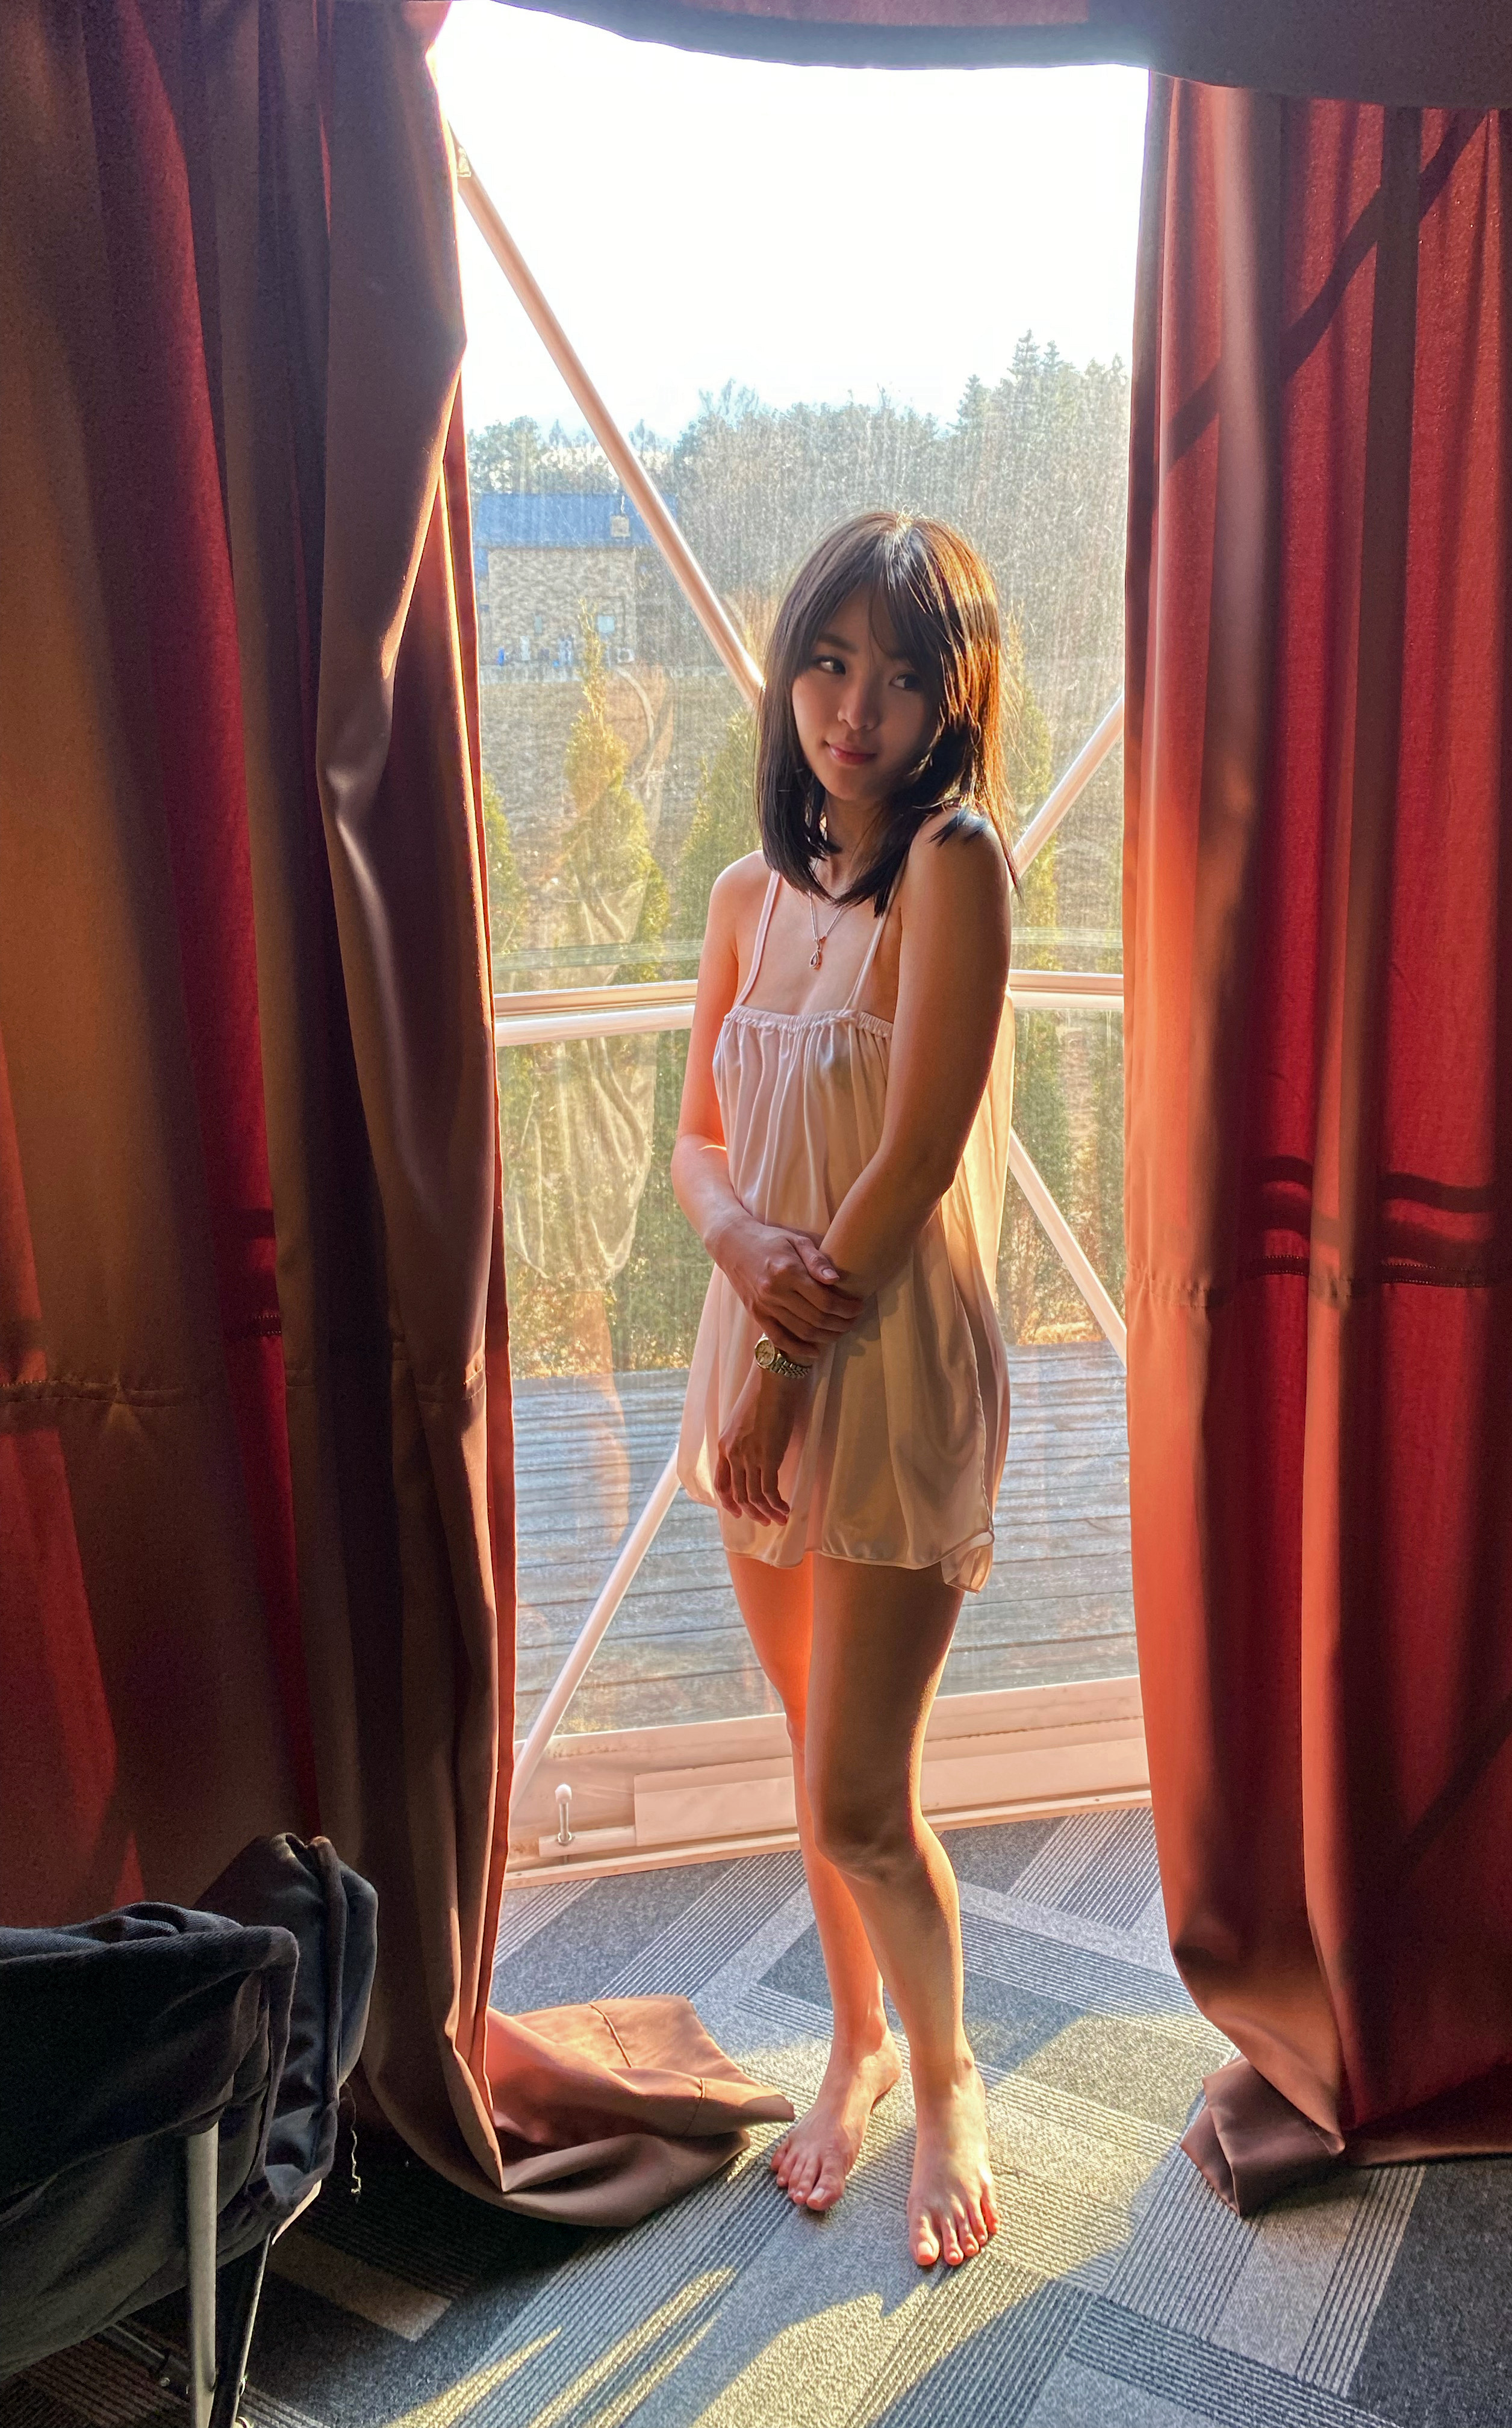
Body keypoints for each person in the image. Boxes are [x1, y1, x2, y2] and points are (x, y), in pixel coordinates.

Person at [672, 510, 1017, 2270]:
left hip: (873, 1372)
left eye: (896, 673)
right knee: (819, 1762)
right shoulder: (749, 895)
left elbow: (915, 1158)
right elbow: (699, 1139)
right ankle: (857, 2043)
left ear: (954, 698)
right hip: (759, 1342)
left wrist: (782, 1375)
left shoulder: (954, 863)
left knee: (865, 1798)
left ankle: (949, 2083)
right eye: (826, 661)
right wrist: (739, 1247)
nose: (854, 707)